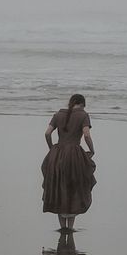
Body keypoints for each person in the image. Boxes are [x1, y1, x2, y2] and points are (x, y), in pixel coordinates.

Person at [41, 94, 96, 231]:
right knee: (74, 188)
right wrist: (91, 149)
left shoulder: (58, 114)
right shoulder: (83, 115)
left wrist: (52, 148)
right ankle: (70, 228)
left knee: (59, 186)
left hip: (57, 154)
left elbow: (47, 133)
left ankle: (62, 227)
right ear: (82, 104)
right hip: (74, 155)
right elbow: (87, 134)